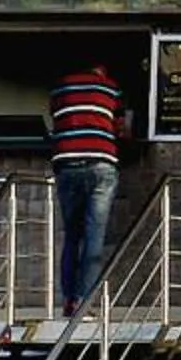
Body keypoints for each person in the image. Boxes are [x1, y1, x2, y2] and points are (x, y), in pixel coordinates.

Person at [47, 60, 123, 315]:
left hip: (67, 164)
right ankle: (84, 302)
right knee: (94, 238)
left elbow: (57, 122)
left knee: (72, 236)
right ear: (102, 69)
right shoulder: (110, 88)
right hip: (100, 164)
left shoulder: (60, 88)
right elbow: (120, 127)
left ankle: (69, 300)